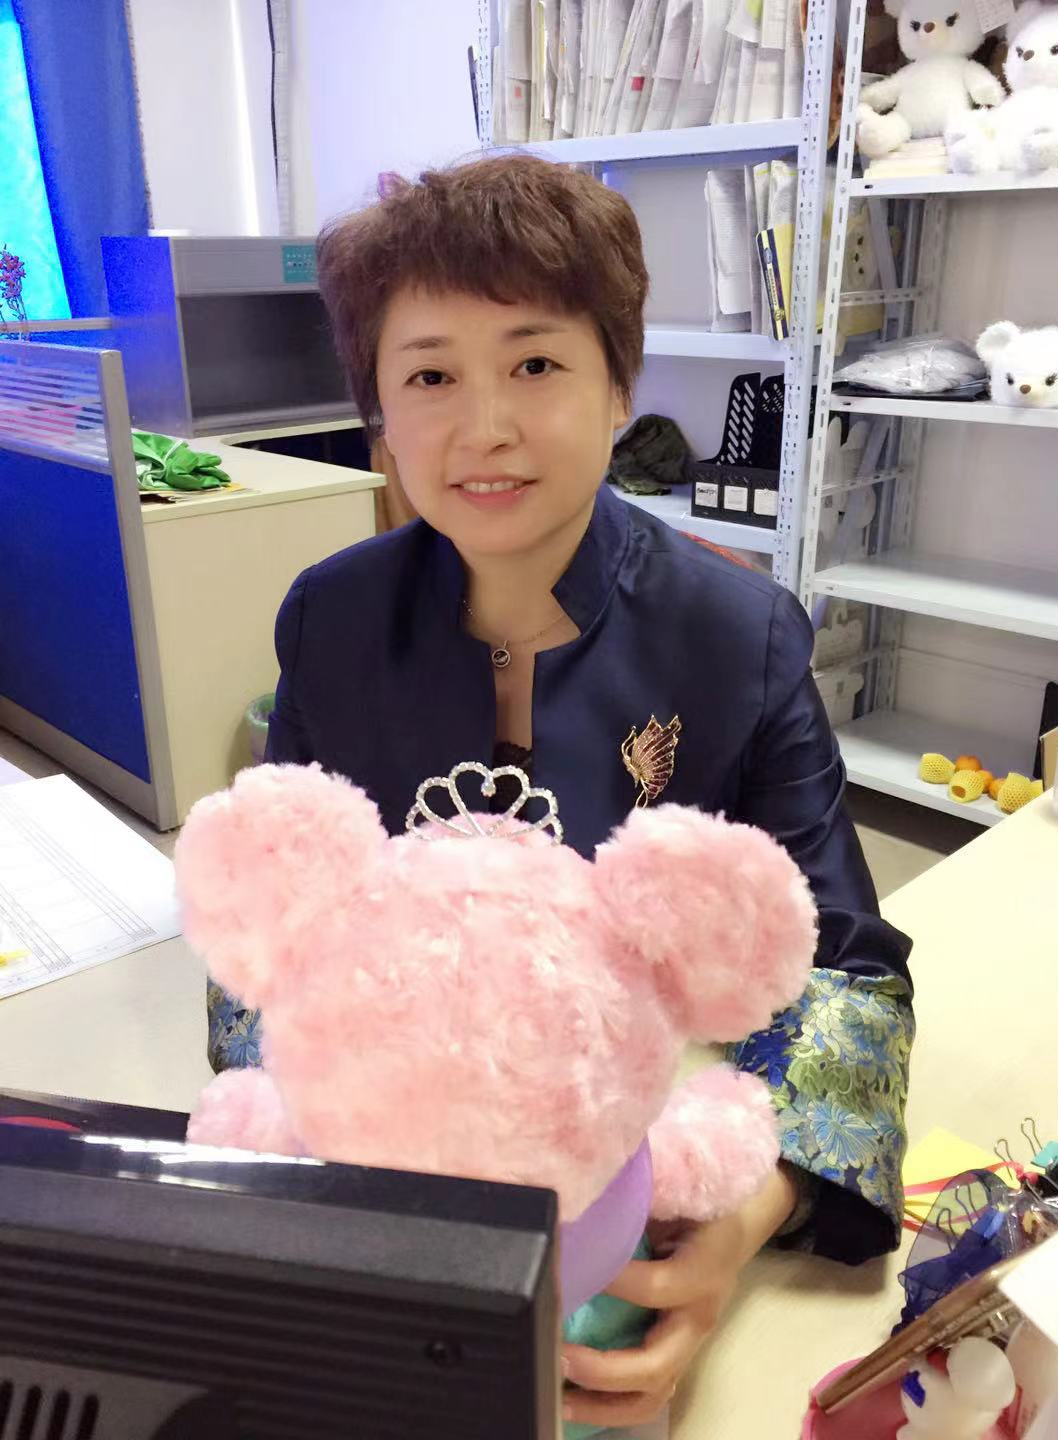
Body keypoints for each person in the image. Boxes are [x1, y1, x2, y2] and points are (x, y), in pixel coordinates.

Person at [207, 154, 914, 1430]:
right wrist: (335, 1174)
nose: (485, 426)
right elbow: (266, 938)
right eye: (430, 376)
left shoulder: (739, 636)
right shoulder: (332, 620)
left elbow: (849, 973)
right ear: (378, 410)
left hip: (627, 1155)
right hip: (398, 1182)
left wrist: (736, 1224)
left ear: (618, 384)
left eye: (535, 362)